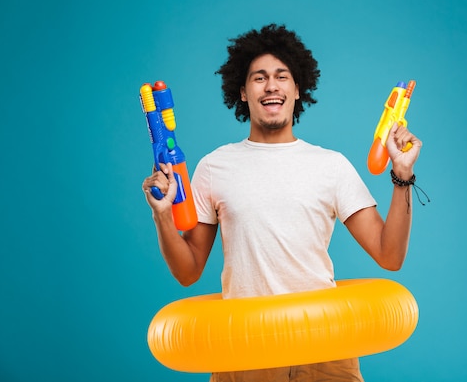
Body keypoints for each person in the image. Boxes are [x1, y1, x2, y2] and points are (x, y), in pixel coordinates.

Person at [142, 24, 422, 382]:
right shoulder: (215, 166)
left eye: (281, 76)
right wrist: (163, 215)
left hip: (326, 349)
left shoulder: (330, 165)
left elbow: (390, 255)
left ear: (297, 89)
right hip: (244, 351)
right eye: (259, 78)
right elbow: (188, 272)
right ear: (242, 92)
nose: (271, 85)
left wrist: (401, 177)